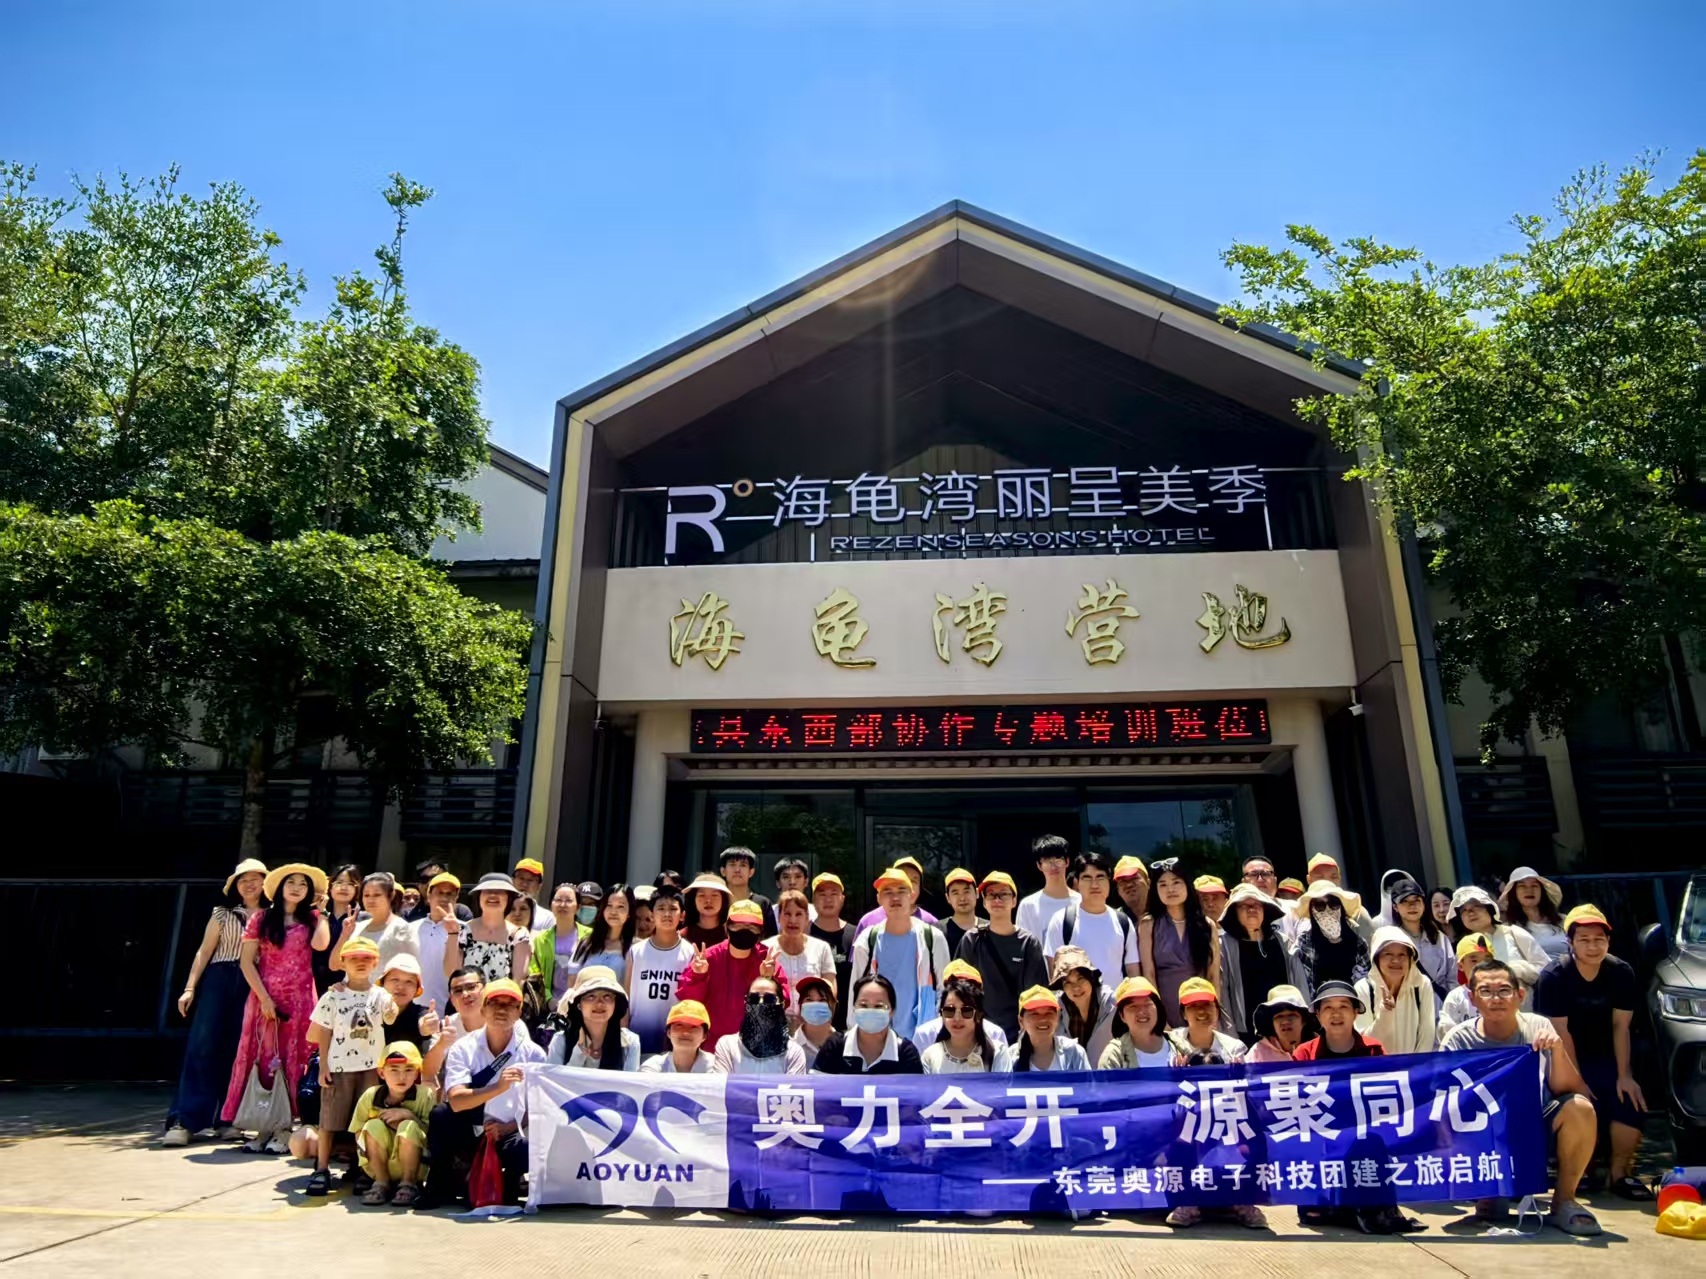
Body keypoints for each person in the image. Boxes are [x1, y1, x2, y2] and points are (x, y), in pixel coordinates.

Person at [1442, 959, 1601, 1236]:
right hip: (1484, 1131)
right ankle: (1488, 1193)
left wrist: (1557, 1051)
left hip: (1536, 1125)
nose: (1496, 999)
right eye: (1486, 991)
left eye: (1504, 990)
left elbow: (1568, 1088)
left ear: (1520, 995)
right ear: (1472, 998)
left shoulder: (1539, 1027)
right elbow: (1442, 1102)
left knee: (1580, 1108)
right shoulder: (1458, 1040)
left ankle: (1564, 1201)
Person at [1534, 905, 1649, 1200]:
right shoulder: (1554, 976)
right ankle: (1580, 1170)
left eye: (1599, 939)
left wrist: (1625, 1075)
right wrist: (1578, 1083)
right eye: (1584, 939)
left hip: (1608, 1053)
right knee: (1579, 1103)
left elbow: (1621, 1026)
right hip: (1564, 1058)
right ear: (1570, 942)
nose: (1593, 946)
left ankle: (1619, 1174)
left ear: (1608, 942)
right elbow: (1562, 1034)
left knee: (1630, 1098)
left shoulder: (1621, 972)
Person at [221, 863, 329, 1153]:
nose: (296, 888)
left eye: (303, 884)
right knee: (264, 1058)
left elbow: (321, 946)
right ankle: (263, 1126)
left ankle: (284, 1128)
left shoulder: (313, 918)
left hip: (301, 1000)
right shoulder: (261, 918)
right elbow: (246, 963)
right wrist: (265, 998)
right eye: (291, 882)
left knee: (295, 1061)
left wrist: (323, 912)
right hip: (264, 998)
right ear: (280, 887)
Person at [164, 858, 267, 1146]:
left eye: (255, 878)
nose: (248, 884)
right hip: (219, 978)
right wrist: (189, 988)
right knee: (202, 1044)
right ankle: (184, 1119)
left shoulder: (272, 917)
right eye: (242, 879)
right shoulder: (222, 914)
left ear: (265, 883)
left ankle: (228, 1119)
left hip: (253, 982)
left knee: (238, 1050)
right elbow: (204, 951)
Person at [422, 977, 544, 1208]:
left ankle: (511, 1181)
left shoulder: (533, 1054)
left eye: (509, 1005)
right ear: (483, 1009)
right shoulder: (463, 1048)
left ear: (519, 1012)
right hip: (472, 1126)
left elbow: (541, 1107)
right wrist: (498, 1088)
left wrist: (509, 1127)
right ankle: (440, 1182)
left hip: (511, 1129)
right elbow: (456, 1101)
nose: (502, 1010)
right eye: (495, 1003)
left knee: (530, 1144)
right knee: (441, 1115)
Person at [304, 935, 398, 1195]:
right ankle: (321, 1168)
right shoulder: (333, 995)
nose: (360, 962)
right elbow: (323, 1031)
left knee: (366, 1121)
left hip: (370, 1068)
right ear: (343, 962)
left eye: (366, 958)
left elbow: (390, 1018)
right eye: (353, 958)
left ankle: (363, 1169)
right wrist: (323, 1065)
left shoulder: (380, 994)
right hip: (339, 1066)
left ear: (375, 963)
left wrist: (392, 1007)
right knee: (329, 1120)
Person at [849, 867, 953, 1040]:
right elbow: (855, 992)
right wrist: (854, 1036)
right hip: (877, 1039)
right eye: (888, 892)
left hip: (923, 1038)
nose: (895, 898)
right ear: (879, 899)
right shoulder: (867, 940)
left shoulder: (932, 938)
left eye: (901, 891)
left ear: (912, 896)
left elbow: (945, 989)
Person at [675, 899, 791, 1043]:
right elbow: (688, 1002)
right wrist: (698, 975)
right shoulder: (708, 958)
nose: (744, 931)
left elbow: (782, 1005)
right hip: (713, 1046)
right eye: (738, 925)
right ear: (727, 927)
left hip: (755, 1045)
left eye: (751, 927)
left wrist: (768, 980)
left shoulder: (767, 960)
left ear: (760, 932)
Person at [956, 872, 1048, 1041]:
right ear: (984, 902)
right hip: (979, 1033)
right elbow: (959, 990)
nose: (997, 900)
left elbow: (1036, 994)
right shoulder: (972, 940)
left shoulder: (1028, 943)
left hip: (1019, 1034)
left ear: (1014, 900)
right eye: (991, 895)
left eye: (1003, 894)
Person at [349, 1041, 435, 1207]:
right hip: (378, 1163)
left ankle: (408, 1184)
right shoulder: (371, 1095)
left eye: (408, 1070)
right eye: (394, 1070)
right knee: (372, 1126)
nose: (401, 1077)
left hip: (417, 1165)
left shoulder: (425, 1095)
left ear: (417, 1073)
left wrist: (410, 1117)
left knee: (408, 1127)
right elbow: (358, 1131)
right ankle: (380, 1182)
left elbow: (433, 1136)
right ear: (381, 1073)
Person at [1217, 883, 1306, 1042]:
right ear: (1235, 912)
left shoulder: (1283, 941)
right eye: (1244, 905)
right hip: (1245, 1032)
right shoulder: (1224, 945)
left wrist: (1304, 1023)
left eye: (1257, 905)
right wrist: (1230, 1034)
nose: (1251, 909)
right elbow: (1222, 992)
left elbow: (1299, 983)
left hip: (1285, 1028)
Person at [1138, 857, 1219, 1025]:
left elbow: (1213, 975)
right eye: (1163, 885)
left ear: (1187, 885)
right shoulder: (1148, 924)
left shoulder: (1206, 925)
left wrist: (1214, 1014)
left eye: (1176, 882)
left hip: (1200, 1003)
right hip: (1165, 1004)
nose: (1170, 889)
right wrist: (1160, 1018)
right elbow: (1149, 974)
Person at [1042, 852, 1140, 982]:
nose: (1094, 885)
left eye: (1100, 877)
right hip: (1075, 995)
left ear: (1109, 881)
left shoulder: (1123, 922)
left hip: (1115, 995)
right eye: (1087, 878)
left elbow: (1133, 973)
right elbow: (1054, 974)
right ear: (1077, 882)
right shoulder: (1061, 921)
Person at [623, 885, 696, 1054]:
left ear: (682, 915)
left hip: (673, 1041)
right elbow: (626, 997)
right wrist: (624, 1031)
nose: (667, 914)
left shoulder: (690, 953)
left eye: (673, 909)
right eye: (661, 908)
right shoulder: (636, 951)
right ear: (652, 914)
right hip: (637, 1038)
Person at [812, 974, 924, 1074]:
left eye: (879, 1006)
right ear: (854, 1008)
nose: (870, 1010)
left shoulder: (905, 1052)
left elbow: (917, 1089)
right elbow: (817, 1087)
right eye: (863, 1005)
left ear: (892, 1011)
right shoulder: (835, 1046)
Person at [1354, 927, 1438, 1055]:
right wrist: (1385, 1014)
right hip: (1376, 1065)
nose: (1396, 961)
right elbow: (1365, 1042)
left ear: (1410, 959)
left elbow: (1427, 1034)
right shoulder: (1363, 988)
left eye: (1402, 955)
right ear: (1376, 958)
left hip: (1415, 1065)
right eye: (1388, 954)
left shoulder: (1421, 985)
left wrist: (1418, 1065)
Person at [1375, 875, 1453, 1000]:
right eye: (1405, 901)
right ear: (1395, 907)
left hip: (1441, 1005)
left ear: (1423, 904)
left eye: (1416, 900)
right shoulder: (1391, 942)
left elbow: (1452, 977)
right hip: (1407, 1006)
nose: (1412, 906)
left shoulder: (1438, 937)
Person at [1450, 885, 1546, 987]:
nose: (1470, 913)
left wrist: (1516, 970)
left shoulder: (1513, 933)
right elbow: (1458, 984)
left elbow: (1545, 968)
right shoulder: (1463, 947)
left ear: (1489, 908)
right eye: (1464, 910)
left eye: (1476, 906)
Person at [763, 889, 836, 1022]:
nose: (793, 920)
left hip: (813, 1023)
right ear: (778, 917)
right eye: (787, 914)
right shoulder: (765, 948)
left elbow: (830, 990)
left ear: (807, 918)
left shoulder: (822, 948)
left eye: (798, 914)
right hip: (775, 1025)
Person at [445, 873, 530, 986]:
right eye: (487, 891)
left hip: (502, 996)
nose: (493, 895)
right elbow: (451, 973)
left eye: (499, 891)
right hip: (466, 996)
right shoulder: (463, 931)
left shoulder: (519, 935)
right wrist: (452, 934)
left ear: (509, 898)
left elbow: (518, 981)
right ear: (479, 897)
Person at [710, 975, 808, 1073]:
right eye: (754, 998)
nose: (760, 1004)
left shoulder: (794, 1053)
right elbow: (721, 1082)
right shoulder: (727, 1046)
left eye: (769, 999)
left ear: (781, 1005)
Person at [910, 960, 1011, 1055]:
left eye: (966, 1010)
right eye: (955, 986)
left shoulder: (995, 1035)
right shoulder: (924, 1035)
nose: (957, 1018)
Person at [548, 967, 641, 1069]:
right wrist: (578, 1054)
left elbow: (629, 1079)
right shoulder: (560, 1041)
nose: (600, 1003)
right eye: (591, 996)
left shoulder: (630, 1043)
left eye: (607, 996)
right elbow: (554, 1078)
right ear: (579, 1004)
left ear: (615, 1003)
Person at [1291, 879, 1371, 996]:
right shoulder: (1304, 943)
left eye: (1333, 903)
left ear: (1341, 907)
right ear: (1312, 911)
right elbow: (1304, 989)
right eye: (1319, 905)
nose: (1327, 910)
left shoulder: (1358, 943)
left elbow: (1368, 985)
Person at [330, 872, 417, 974]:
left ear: (391, 895)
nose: (370, 900)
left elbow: (411, 971)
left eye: (377, 895)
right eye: (366, 895)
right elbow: (334, 965)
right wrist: (345, 935)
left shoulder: (403, 929)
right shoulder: (357, 927)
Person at [992, 985, 1091, 1072]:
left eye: (1049, 1013)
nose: (1043, 1019)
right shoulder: (1009, 1058)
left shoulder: (1074, 1053)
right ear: (1021, 1021)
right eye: (1035, 1014)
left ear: (1057, 1017)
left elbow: (1089, 1086)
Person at [1050, 946, 1118, 1064]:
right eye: (1068, 982)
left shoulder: (1113, 1004)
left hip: (1108, 1073)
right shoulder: (1054, 1011)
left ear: (1091, 978)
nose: (1076, 988)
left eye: (1081, 979)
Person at [809, 872, 858, 1028]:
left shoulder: (856, 935)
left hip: (849, 1022)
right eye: (822, 894)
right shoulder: (804, 934)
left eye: (834, 894)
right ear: (813, 900)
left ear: (842, 898)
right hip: (812, 1022)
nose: (828, 899)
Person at [529, 882, 589, 1010]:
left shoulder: (589, 936)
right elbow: (534, 973)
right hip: (551, 1006)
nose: (563, 904)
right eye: (558, 900)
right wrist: (550, 1000)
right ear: (551, 905)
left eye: (569, 901)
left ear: (578, 907)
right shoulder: (540, 939)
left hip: (582, 1005)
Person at [409, 871, 463, 1012]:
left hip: (450, 1011)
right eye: (440, 893)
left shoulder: (465, 930)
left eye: (449, 894)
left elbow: (458, 972)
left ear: (456, 898)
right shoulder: (410, 928)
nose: (444, 898)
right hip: (412, 1011)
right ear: (429, 896)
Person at [921, 975, 995, 1073]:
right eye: (949, 1010)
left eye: (966, 1011)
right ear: (941, 1015)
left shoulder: (997, 1054)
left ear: (978, 1016)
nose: (957, 1018)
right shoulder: (929, 1057)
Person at [1292, 980, 1382, 1059]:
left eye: (1343, 1006)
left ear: (1355, 1013)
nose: (1336, 1014)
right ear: (1318, 1015)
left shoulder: (1374, 1050)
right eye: (1328, 1007)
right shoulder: (1304, 1054)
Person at [1164, 977, 1246, 1063]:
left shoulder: (1233, 1049)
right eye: (1193, 1005)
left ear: (1217, 1009)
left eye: (1206, 1004)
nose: (1201, 1010)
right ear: (1184, 1013)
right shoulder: (1170, 1045)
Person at [1098, 975, 1171, 1068]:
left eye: (1147, 1004)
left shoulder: (1180, 1047)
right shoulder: (1113, 1056)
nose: (1141, 1011)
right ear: (1122, 1016)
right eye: (1133, 1006)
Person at [1015, 834, 1079, 940]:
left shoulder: (1082, 902)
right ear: (1039, 865)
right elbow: (1023, 945)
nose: (1053, 866)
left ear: (1067, 861)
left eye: (1058, 859)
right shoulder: (1029, 905)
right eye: (1047, 861)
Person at [1500, 867, 1569, 962]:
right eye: (1522, 886)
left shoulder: (1564, 921)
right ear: (1514, 893)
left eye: (1534, 885)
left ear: (1542, 891)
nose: (1529, 890)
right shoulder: (1507, 929)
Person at [313, 864, 364, 993]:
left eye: (350, 883)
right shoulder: (316, 914)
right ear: (330, 886)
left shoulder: (362, 918)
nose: (344, 887)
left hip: (346, 986)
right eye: (339, 882)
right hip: (313, 983)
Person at [1303, 853, 1377, 941]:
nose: (1327, 881)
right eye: (1320, 877)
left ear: (1339, 879)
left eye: (1333, 877)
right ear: (1309, 880)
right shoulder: (1298, 920)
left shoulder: (1358, 913)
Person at [570, 882, 636, 980]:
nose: (613, 912)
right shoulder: (586, 943)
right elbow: (572, 980)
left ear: (630, 912)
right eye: (609, 905)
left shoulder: (635, 949)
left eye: (620, 907)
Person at [1439, 933, 1493, 1037]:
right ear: (1460, 966)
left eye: (1487, 960)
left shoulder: (1501, 994)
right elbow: (1448, 1034)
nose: (1482, 965)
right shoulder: (1455, 997)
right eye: (1474, 961)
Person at [640, 1000, 716, 1073]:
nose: (686, 1033)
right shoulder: (652, 1067)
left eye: (694, 1027)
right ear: (669, 1032)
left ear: (704, 1035)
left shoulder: (715, 1068)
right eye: (679, 1025)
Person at [718, 847, 778, 935]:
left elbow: (771, 938)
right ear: (723, 871)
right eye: (732, 864)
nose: (737, 870)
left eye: (743, 865)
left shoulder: (763, 903)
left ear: (751, 872)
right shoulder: (716, 901)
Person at [1247, 985, 1313, 1063]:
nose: (1285, 1022)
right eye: (1279, 1016)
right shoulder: (1258, 1053)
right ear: (1272, 1023)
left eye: (1292, 1015)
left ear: (1304, 1021)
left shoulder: (1317, 1048)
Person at [791, 975, 839, 1068]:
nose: (815, 1004)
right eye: (809, 999)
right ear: (800, 1005)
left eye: (822, 1000)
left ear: (834, 1005)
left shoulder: (846, 1046)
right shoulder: (790, 1048)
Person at [404, 860, 473, 924]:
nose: (430, 883)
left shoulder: (461, 912)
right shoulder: (410, 915)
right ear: (418, 884)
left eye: (436, 878)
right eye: (424, 879)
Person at [940, 868, 985, 952]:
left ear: (977, 893)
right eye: (955, 893)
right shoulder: (938, 931)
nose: (962, 898)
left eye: (966, 891)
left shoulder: (990, 929)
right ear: (948, 898)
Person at [683, 871, 731, 947]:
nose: (708, 900)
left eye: (714, 895)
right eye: (702, 895)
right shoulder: (682, 936)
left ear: (723, 900)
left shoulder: (732, 936)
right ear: (693, 899)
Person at [510, 857, 551, 931]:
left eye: (530, 880)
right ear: (512, 880)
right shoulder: (499, 911)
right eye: (521, 878)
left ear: (539, 886)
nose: (525, 884)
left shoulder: (547, 919)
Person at [1112, 856, 1149, 922]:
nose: (1129, 885)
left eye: (1134, 878)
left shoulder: (1165, 913)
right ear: (1118, 891)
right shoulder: (1114, 921)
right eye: (1123, 881)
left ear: (1148, 883)